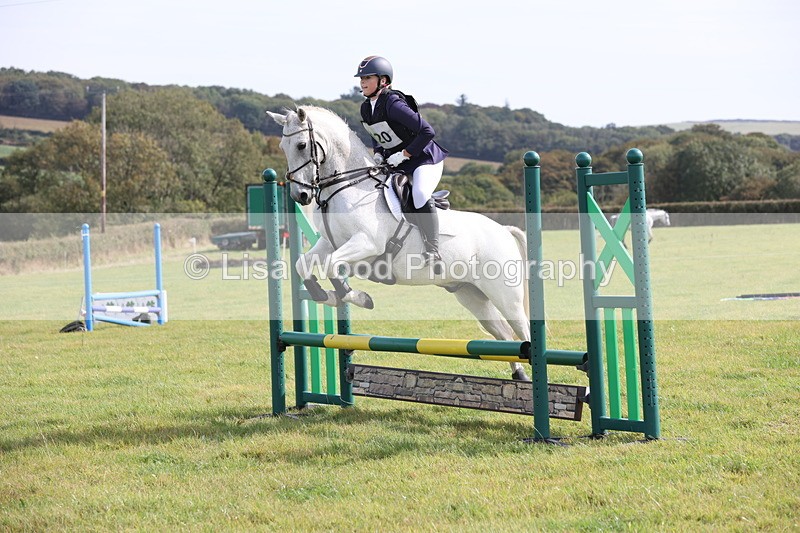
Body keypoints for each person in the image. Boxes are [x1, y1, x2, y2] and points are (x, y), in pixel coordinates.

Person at [355, 55, 448, 268]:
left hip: (424, 158)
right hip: (397, 162)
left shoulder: (393, 103)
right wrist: (378, 153)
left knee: (420, 194)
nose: (362, 82)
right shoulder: (366, 107)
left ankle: (434, 251)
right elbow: (378, 134)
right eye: (361, 78)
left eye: (368, 77)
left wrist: (405, 153)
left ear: (383, 81)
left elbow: (427, 131)